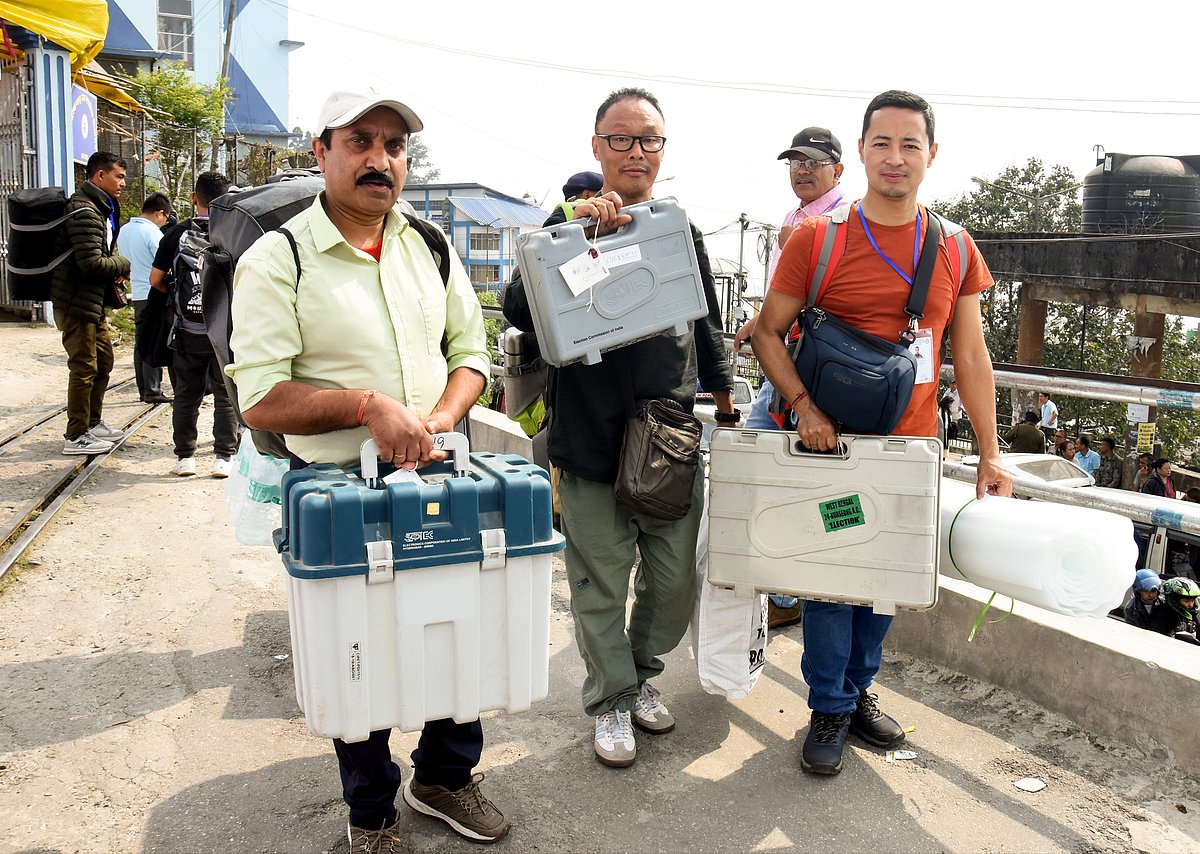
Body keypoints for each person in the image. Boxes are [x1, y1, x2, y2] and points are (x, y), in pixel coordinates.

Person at [227, 90, 503, 847]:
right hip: (339, 492)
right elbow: (260, 397)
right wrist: (367, 407)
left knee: (453, 631)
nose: (380, 160)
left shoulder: (429, 245)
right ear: (321, 151)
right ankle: (372, 811)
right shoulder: (278, 258)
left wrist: (438, 420)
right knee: (358, 653)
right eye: (360, 142)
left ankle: (444, 777)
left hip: (438, 476)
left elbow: (470, 352)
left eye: (395, 145)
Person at [753, 89, 1012, 776]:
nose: (896, 157)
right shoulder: (818, 239)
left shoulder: (953, 246)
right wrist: (805, 407)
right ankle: (829, 706)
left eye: (910, 145)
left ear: (932, 154)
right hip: (832, 447)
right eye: (882, 144)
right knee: (832, 580)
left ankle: (858, 688)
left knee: (886, 580)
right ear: (862, 152)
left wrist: (991, 453)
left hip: (911, 449)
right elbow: (768, 333)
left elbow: (971, 357)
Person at [503, 87, 735, 769]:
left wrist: (725, 405)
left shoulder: (676, 228)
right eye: (622, 139)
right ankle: (612, 697)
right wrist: (573, 234)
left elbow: (705, 322)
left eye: (649, 139)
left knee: (673, 580)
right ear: (597, 146)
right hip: (589, 434)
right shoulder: (564, 228)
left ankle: (639, 673)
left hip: (667, 434)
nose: (637, 152)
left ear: (663, 149)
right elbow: (517, 306)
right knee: (600, 580)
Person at [733, 126, 848, 630]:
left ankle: (788, 594)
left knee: (785, 478)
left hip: (813, 370)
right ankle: (781, 591)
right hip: (784, 360)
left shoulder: (842, 219)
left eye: (813, 162)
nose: (802, 170)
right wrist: (760, 322)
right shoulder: (794, 219)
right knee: (764, 470)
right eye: (795, 162)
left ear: (837, 170)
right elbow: (787, 295)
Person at [151, 172, 239, 479]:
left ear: (193, 198)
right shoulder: (234, 232)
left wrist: (179, 298)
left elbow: (156, 280)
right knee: (225, 395)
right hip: (223, 332)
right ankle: (223, 457)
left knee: (186, 395)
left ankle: (185, 458)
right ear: (228, 198)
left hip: (186, 331)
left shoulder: (175, 234)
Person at [50, 151, 132, 455]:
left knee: (104, 361)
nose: (122, 183)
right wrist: (123, 263)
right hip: (76, 302)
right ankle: (76, 435)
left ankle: (92, 423)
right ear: (100, 175)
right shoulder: (84, 211)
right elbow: (91, 263)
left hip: (91, 302)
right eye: (118, 176)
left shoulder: (98, 207)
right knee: (84, 367)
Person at [119, 192, 174, 404]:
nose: (165, 223)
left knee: (141, 340)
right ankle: (153, 389)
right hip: (154, 292)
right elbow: (164, 262)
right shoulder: (152, 233)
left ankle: (143, 388)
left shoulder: (124, 230)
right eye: (166, 218)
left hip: (136, 292)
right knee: (155, 339)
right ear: (160, 213)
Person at [1123, 569, 1174, 635]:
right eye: (1145, 591)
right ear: (1138, 592)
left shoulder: (1163, 604)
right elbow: (1133, 632)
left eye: (1153, 591)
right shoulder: (1132, 609)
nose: (1150, 595)